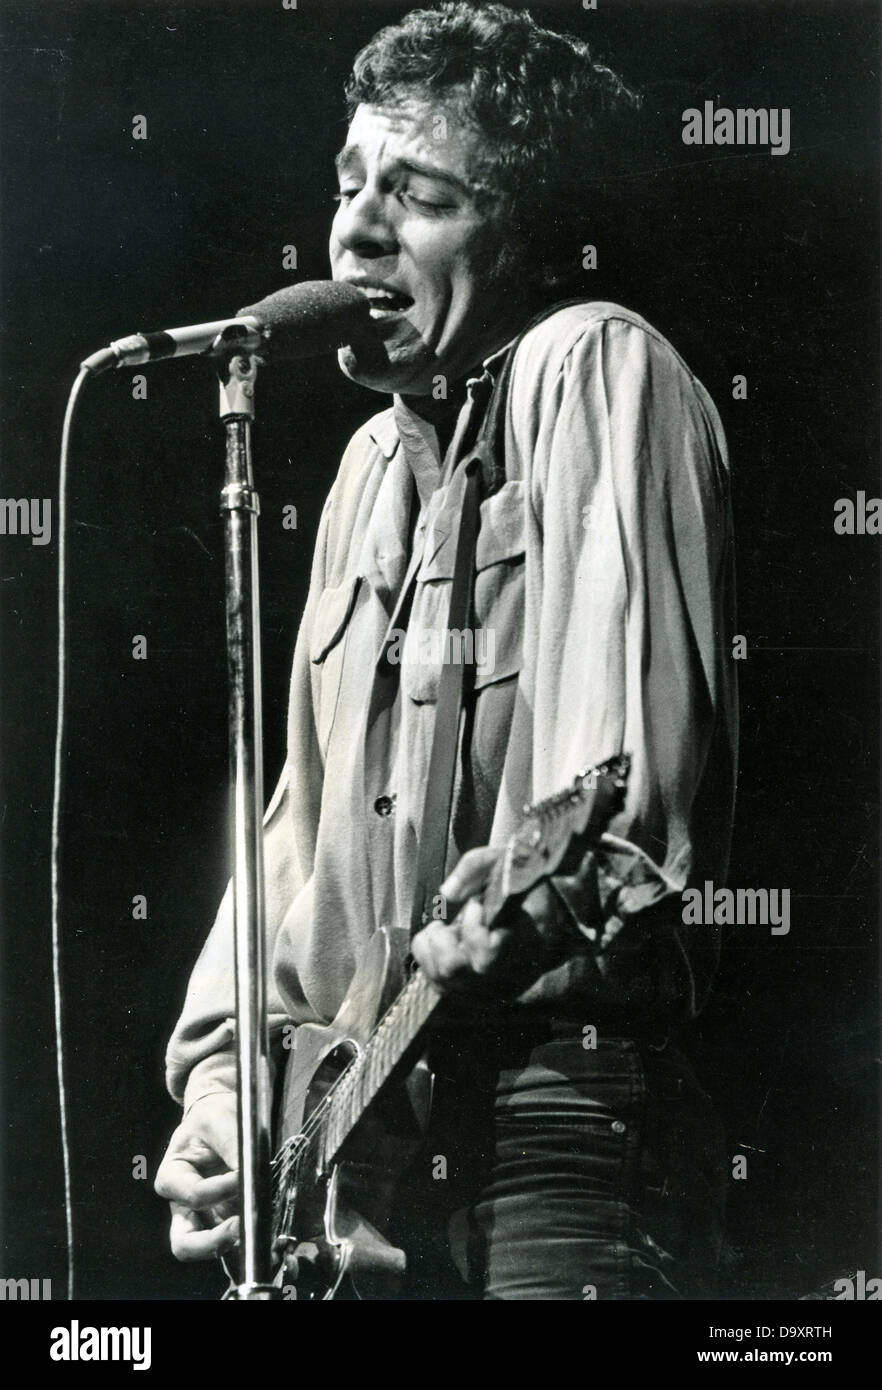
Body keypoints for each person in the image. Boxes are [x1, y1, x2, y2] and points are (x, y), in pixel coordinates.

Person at [155, 1, 738, 1300]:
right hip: (375, 1156)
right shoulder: (368, 471)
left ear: (529, 233)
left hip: (554, 1111)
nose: (357, 229)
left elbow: (614, 802)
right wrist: (227, 1084)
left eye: (419, 196)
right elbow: (296, 836)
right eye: (349, 186)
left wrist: (532, 902)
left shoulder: (593, 362)